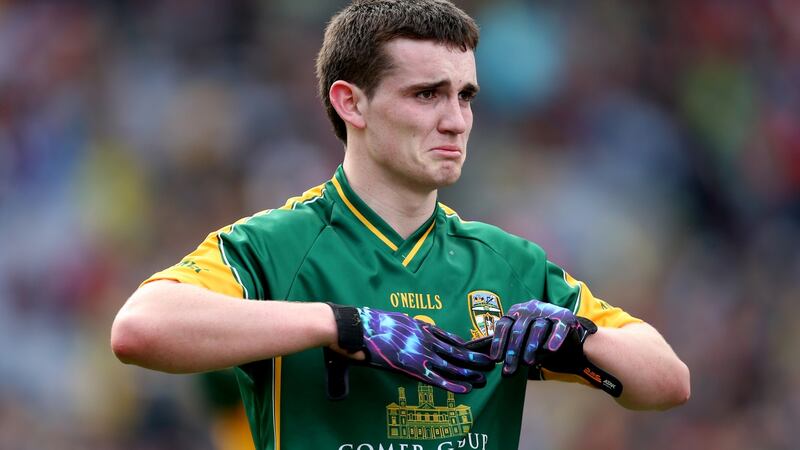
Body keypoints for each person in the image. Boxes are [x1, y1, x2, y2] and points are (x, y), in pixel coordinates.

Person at [111, 1, 690, 449]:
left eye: (465, 96)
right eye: (427, 94)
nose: (456, 120)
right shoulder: (278, 246)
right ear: (351, 103)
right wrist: (344, 326)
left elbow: (668, 382)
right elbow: (139, 328)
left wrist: (580, 340)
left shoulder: (506, 263)